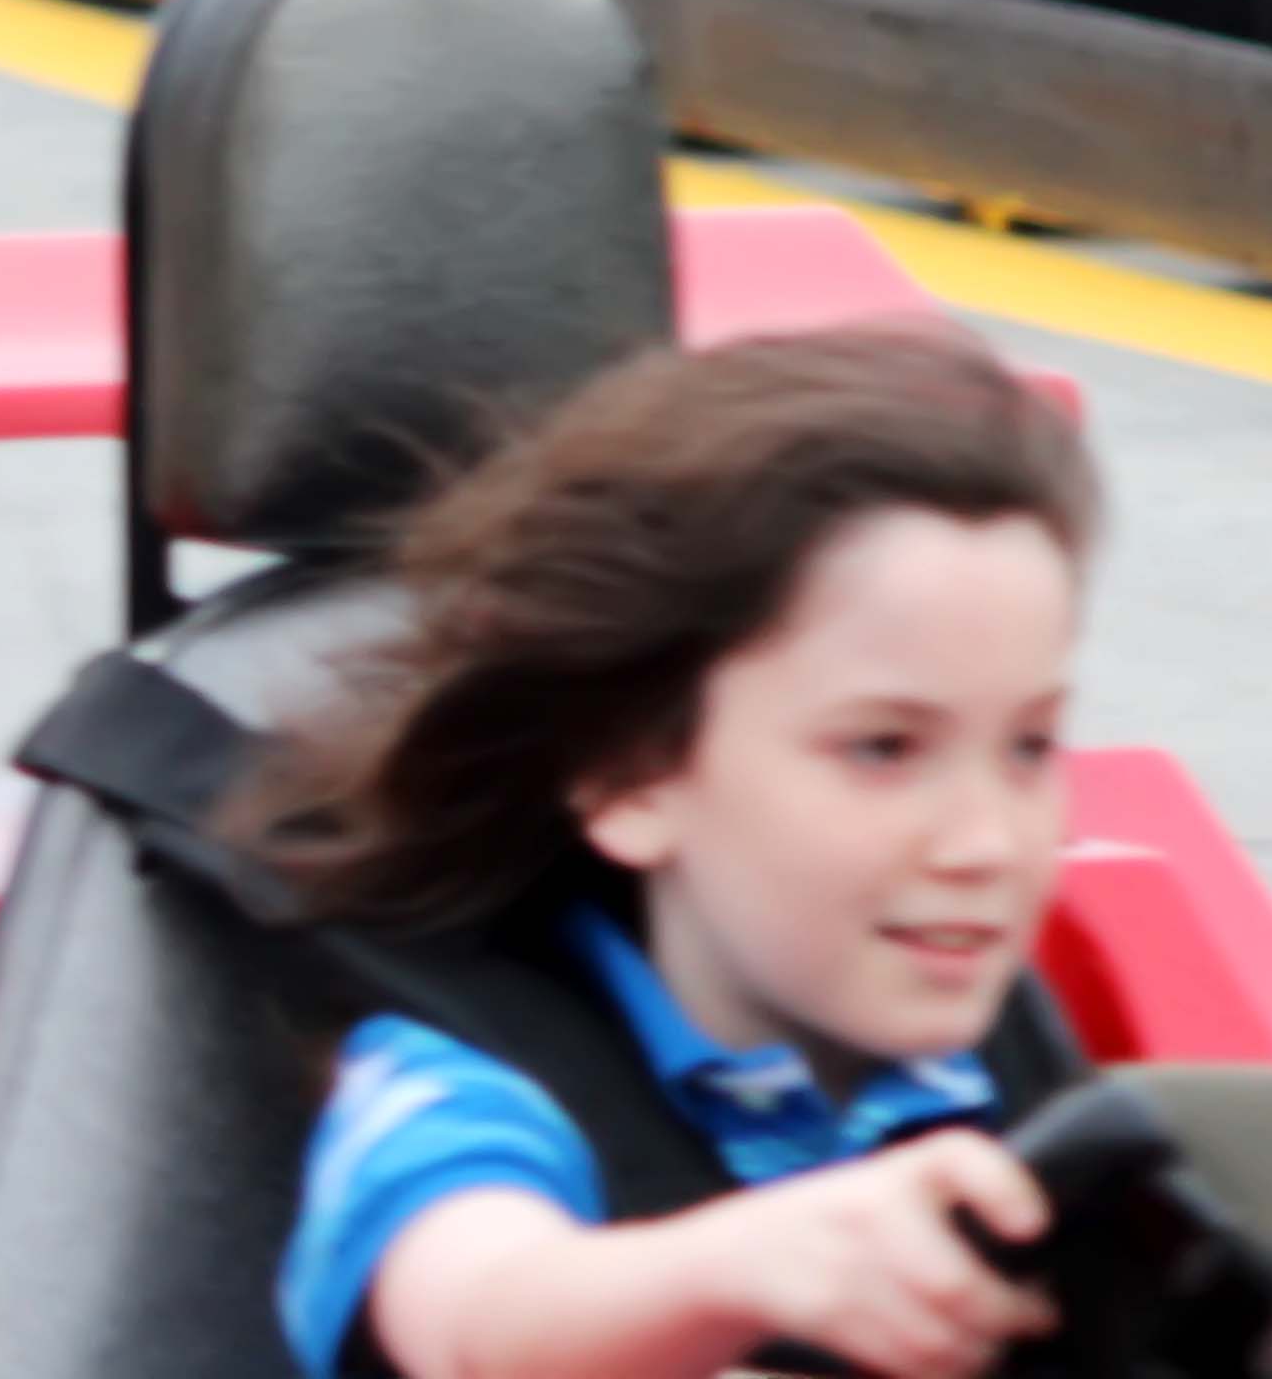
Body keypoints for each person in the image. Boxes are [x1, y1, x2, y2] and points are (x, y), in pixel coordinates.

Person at [251, 329, 1099, 1379]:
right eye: (883, 749)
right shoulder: (461, 1078)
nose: (985, 842)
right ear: (631, 776)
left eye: (1029, 747)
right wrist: (736, 1269)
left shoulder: (1018, 1084)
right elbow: (482, 1323)